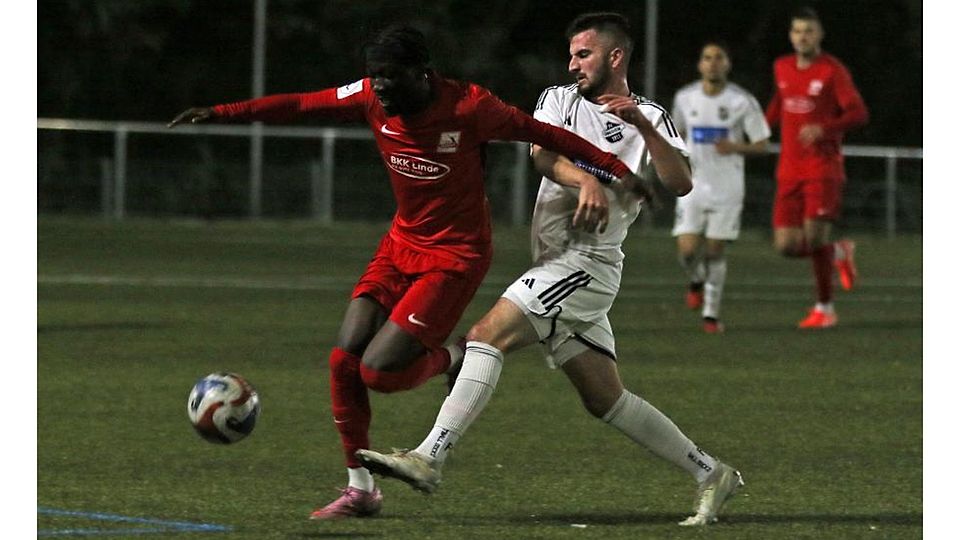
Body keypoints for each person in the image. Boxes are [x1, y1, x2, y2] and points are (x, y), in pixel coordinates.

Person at [168, 24, 648, 520]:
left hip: (455, 257)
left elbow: (544, 134)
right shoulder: (371, 97)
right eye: (374, 75)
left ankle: (453, 357)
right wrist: (222, 112)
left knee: (379, 372)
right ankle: (361, 490)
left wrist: (616, 171)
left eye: (390, 76)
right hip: (400, 246)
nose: (378, 86)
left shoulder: (469, 107)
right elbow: (302, 104)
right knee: (343, 360)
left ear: (421, 74)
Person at [356, 13, 744, 527]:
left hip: (587, 263)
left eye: (583, 54)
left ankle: (429, 456)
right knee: (605, 398)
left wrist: (643, 126)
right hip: (555, 263)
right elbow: (542, 157)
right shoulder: (558, 100)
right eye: (571, 55)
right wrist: (587, 179)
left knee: (486, 337)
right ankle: (712, 473)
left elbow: (680, 183)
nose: (573, 64)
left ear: (615, 57)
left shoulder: (650, 113)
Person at [765, 7, 869, 329]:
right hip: (789, 169)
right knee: (786, 246)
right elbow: (779, 105)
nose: (802, 37)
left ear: (820, 35)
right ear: (790, 35)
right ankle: (838, 251)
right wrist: (758, 128)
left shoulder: (832, 70)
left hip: (822, 168)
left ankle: (825, 308)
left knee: (813, 239)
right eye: (797, 31)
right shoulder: (781, 66)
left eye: (809, 31)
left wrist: (824, 128)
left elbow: (858, 113)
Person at [671, 42, 771, 333]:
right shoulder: (685, 98)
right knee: (687, 251)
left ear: (727, 64)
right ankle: (696, 280)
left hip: (727, 187)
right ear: (700, 64)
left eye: (719, 58)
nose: (713, 63)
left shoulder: (742, 101)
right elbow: (676, 135)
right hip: (693, 185)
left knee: (715, 251)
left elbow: (762, 144)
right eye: (707, 58)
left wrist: (735, 146)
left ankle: (711, 315)